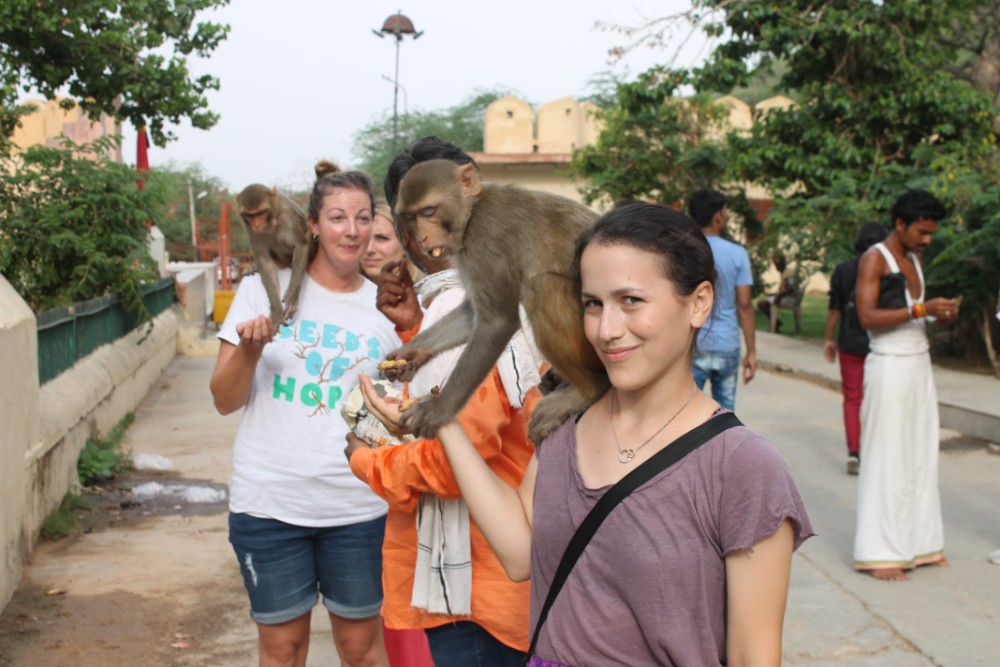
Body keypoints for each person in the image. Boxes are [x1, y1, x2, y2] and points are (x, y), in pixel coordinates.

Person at [360, 202, 814, 666]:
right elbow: (519, 555)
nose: (607, 330)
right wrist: (443, 420)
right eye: (593, 304)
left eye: (631, 301)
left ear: (698, 303)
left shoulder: (742, 467)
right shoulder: (564, 427)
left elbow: (752, 657)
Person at [344, 137, 540, 667]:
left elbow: (458, 464)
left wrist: (366, 460)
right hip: (504, 576)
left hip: (480, 585)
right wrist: (417, 329)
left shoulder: (464, 298)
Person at [210, 162, 395, 667]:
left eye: (362, 218)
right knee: (283, 649)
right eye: (337, 217)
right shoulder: (258, 290)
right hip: (269, 502)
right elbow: (224, 399)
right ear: (312, 224)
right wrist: (251, 347)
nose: (351, 231)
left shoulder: (389, 306)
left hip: (357, 507)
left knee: (361, 649)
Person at [853, 188, 960, 582]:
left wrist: (937, 315)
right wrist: (921, 309)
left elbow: (912, 314)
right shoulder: (873, 259)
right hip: (889, 365)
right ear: (901, 224)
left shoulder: (914, 258)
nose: (928, 239)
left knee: (919, 452)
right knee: (886, 455)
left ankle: (921, 543)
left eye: (931, 233)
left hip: (918, 363)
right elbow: (866, 316)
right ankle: (879, 552)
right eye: (922, 231)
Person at [823, 222, 888, 475]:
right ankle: (876, 451)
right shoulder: (886, 271)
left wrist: (830, 338)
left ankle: (854, 453)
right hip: (879, 342)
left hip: (850, 342)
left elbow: (834, 308)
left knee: (852, 399)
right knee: (878, 399)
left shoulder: (843, 270)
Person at [688, 189, 756, 411]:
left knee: (684, 413)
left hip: (694, 343)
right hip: (727, 345)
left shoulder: (686, 251)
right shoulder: (737, 254)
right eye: (725, 212)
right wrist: (751, 352)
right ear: (718, 217)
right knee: (725, 415)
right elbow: (745, 305)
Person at [361, 200, 423, 284]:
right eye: (364, 238)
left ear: (405, 243)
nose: (369, 249)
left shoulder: (431, 294)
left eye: (382, 238)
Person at [756, 253, 800, 332]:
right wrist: (772, 294)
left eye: (777, 265)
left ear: (782, 264)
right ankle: (776, 323)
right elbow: (784, 289)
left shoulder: (789, 272)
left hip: (790, 299)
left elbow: (791, 288)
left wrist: (778, 296)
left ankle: (776, 324)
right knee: (762, 303)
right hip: (784, 297)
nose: (776, 267)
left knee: (762, 304)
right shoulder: (783, 273)